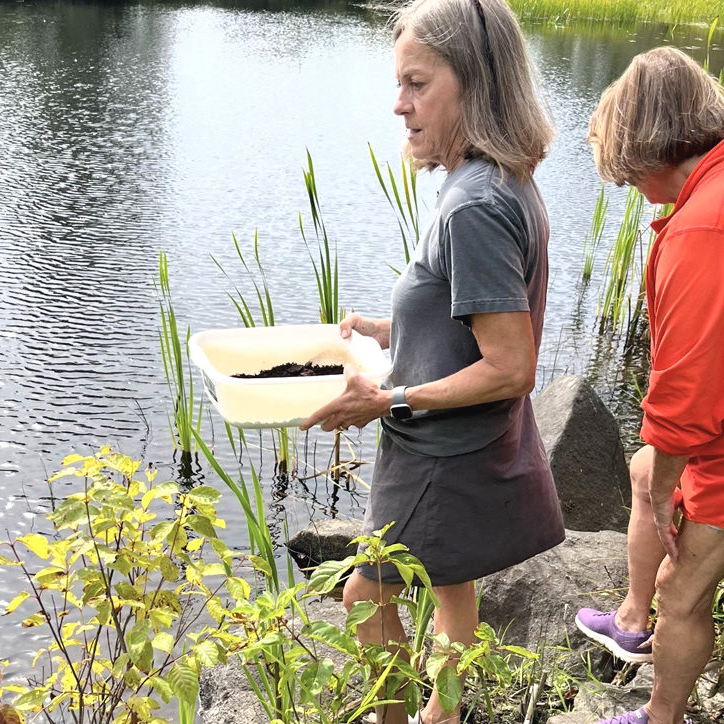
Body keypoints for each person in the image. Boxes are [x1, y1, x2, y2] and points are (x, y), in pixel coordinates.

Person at [300, 0, 565, 721]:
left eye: (417, 84)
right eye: (399, 84)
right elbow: (472, 313)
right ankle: (443, 714)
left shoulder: (472, 204)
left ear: (474, 82)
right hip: (464, 443)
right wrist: (390, 330)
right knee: (452, 584)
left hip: (443, 454)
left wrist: (384, 401)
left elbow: (510, 367)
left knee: (363, 597)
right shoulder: (495, 180)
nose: (399, 105)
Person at [574, 46, 724, 724]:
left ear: (648, 146)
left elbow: (690, 381)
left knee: (682, 589)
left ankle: (659, 717)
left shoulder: (703, 226)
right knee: (642, 468)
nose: (631, 187)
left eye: (629, 174)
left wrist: (668, 488)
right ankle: (634, 621)